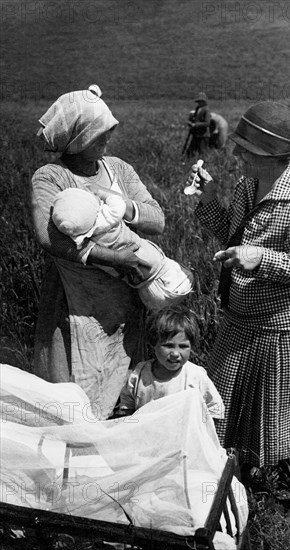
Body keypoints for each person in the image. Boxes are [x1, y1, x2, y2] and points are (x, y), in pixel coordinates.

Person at [188, 101, 290, 520]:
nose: (235, 155)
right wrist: (210, 199)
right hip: (244, 317)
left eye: (244, 150)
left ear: (268, 154)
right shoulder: (249, 187)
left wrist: (260, 258)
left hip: (289, 327)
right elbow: (235, 236)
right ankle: (238, 476)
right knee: (223, 397)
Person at [31, 85, 165, 420]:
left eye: (109, 128)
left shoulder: (118, 169)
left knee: (120, 390)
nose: (109, 136)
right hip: (74, 302)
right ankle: (71, 470)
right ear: (77, 137)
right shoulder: (51, 177)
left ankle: (111, 468)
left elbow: (156, 219)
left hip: (123, 298)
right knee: (72, 397)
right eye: (99, 131)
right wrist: (114, 258)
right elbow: (50, 241)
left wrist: (123, 205)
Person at [51, 187, 194, 312]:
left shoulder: (79, 239)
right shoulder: (107, 218)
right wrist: (100, 192)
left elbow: (75, 248)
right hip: (149, 273)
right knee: (161, 271)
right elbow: (117, 203)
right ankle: (160, 293)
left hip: (124, 278)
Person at [118, 307, 224, 420]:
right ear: (153, 344)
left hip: (183, 435)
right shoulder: (140, 373)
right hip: (146, 434)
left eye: (183, 346)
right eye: (168, 346)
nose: (175, 353)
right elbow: (127, 406)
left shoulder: (196, 376)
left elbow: (214, 409)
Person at [186, 92, 211, 156]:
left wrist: (196, 124)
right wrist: (191, 121)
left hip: (203, 135)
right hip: (196, 133)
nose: (199, 103)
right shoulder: (197, 108)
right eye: (198, 101)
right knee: (190, 151)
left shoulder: (206, 110)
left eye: (201, 101)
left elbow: (207, 123)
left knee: (202, 152)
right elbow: (195, 118)